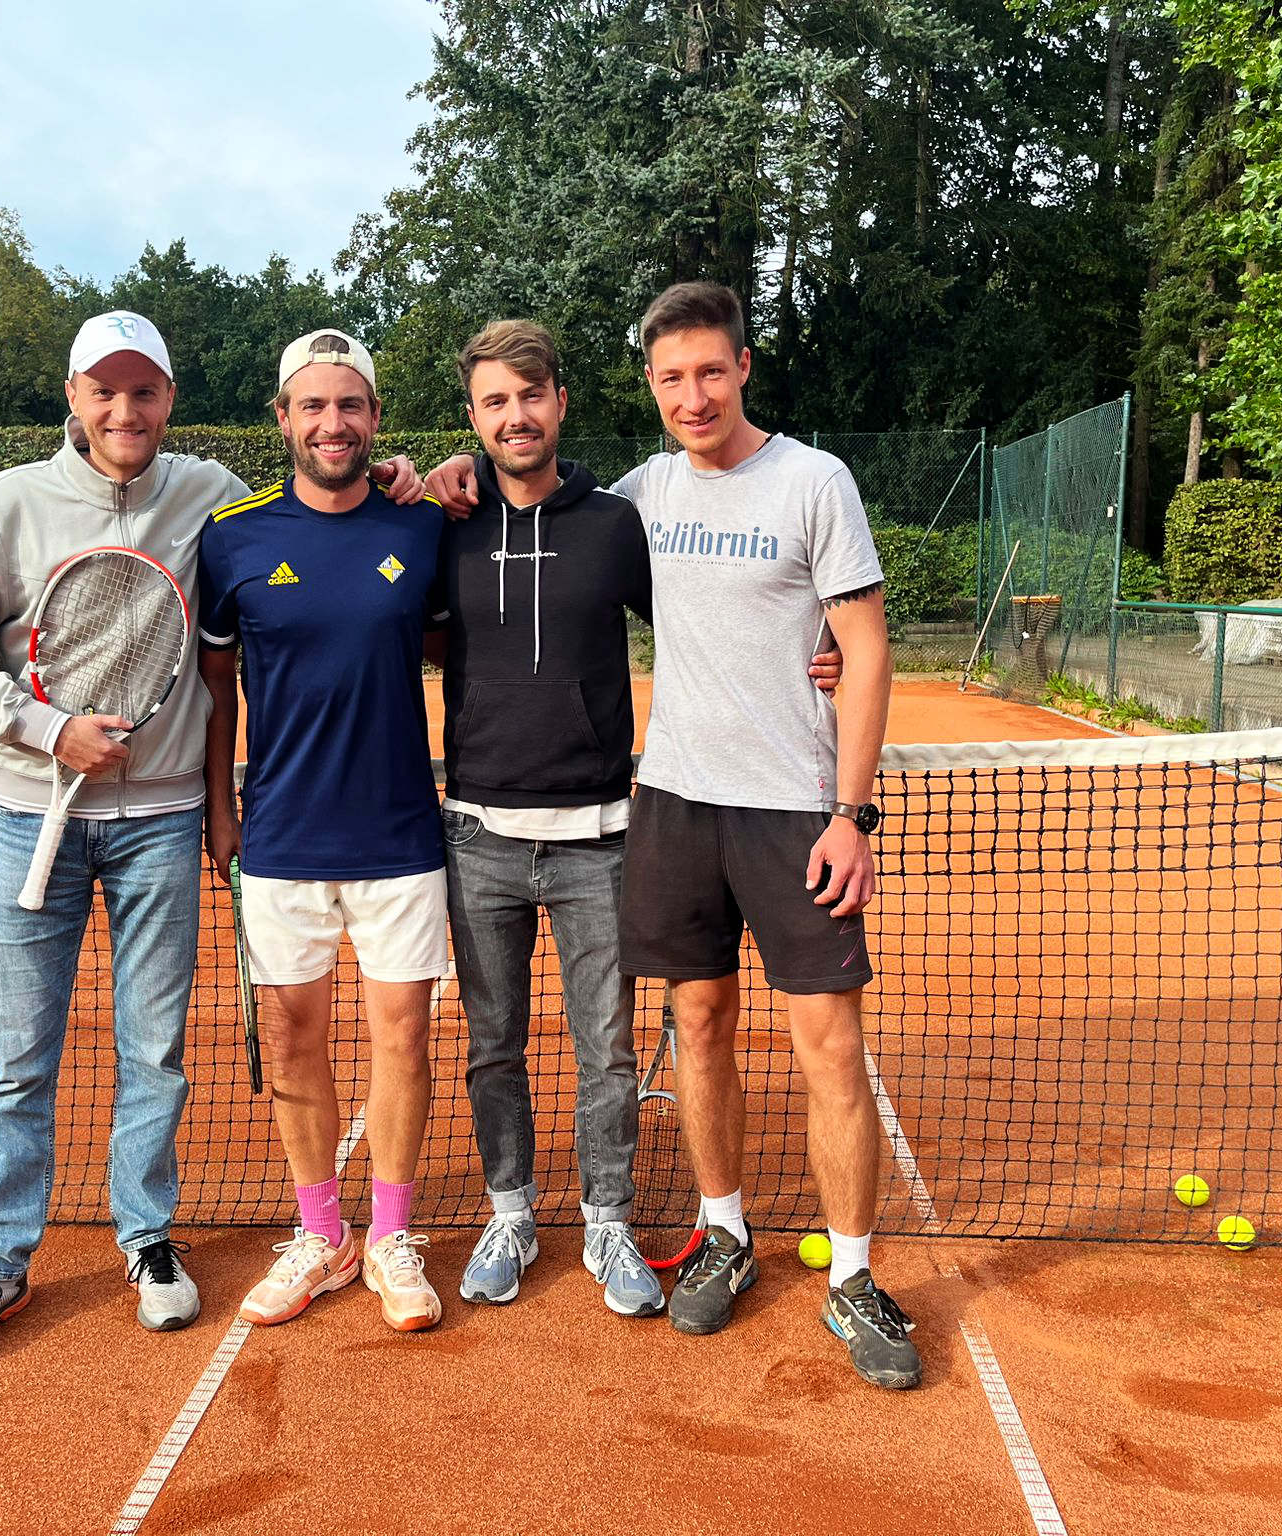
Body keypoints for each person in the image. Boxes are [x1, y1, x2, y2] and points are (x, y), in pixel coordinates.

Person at [425, 282, 916, 1389]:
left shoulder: (808, 481)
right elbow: (529, 521)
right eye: (668, 377)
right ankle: (725, 1235)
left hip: (795, 808)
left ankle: (851, 1278)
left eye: (707, 371)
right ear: (645, 387)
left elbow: (864, 644)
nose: (690, 395)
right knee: (697, 1029)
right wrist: (439, 479)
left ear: (741, 366)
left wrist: (851, 812)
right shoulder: (636, 495)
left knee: (828, 1048)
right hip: (673, 804)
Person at [0, 312, 422, 1364]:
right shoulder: (3, 505)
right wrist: (49, 728)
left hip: (158, 825)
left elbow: (329, 491)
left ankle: (146, 1239)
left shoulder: (207, 502)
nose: (123, 410)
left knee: (155, 1053)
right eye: (104, 391)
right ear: (72, 395)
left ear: (169, 401)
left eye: (142, 392)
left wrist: (422, 472)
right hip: (31, 823)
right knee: (21, 1060)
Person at [196, 329, 450, 1333]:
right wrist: (221, 809)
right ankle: (320, 1235)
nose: (331, 423)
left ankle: (388, 1236)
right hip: (283, 840)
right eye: (312, 405)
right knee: (295, 1043)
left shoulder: (426, 527)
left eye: (349, 406)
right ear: (282, 419)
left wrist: (453, 474)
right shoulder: (232, 539)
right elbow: (217, 693)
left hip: (399, 836)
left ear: (373, 419)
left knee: (403, 1036)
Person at [429, 319, 664, 1317]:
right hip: (477, 835)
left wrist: (815, 646)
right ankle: (510, 1212)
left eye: (530, 395)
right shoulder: (444, 525)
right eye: (493, 401)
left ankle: (607, 1222)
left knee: (605, 1048)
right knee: (492, 1045)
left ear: (559, 402)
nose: (514, 416)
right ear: (474, 417)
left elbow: (697, 625)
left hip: (600, 835)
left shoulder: (614, 525)